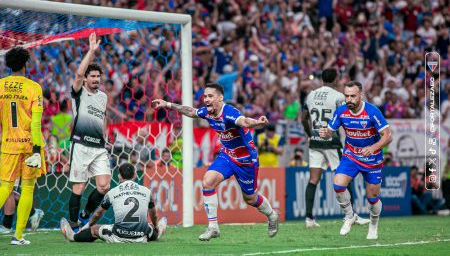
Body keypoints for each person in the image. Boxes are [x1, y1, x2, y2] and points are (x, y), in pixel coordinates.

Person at [152, 83, 279, 241]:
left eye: (210, 96)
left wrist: (257, 123)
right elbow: (191, 111)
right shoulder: (208, 112)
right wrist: (168, 104)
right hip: (227, 155)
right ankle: (213, 227)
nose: (206, 99)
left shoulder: (229, 112)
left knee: (250, 198)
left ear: (220, 98)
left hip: (246, 159)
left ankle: (272, 215)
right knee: (207, 181)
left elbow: (244, 121)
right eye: (205, 96)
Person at [319, 81, 393, 240]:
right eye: (346, 96)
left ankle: (373, 225)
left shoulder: (372, 111)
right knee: (338, 185)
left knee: (373, 199)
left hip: (372, 159)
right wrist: (325, 133)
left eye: (353, 96)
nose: (349, 99)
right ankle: (349, 216)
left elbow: (388, 136)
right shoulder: (341, 111)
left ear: (361, 95)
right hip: (351, 156)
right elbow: (330, 131)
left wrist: (374, 147)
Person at [301, 68, 369, 228]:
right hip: (332, 141)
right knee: (345, 177)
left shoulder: (311, 94)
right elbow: (348, 115)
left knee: (313, 180)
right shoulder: (339, 97)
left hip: (316, 141)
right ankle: (351, 216)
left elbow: (304, 118)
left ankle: (309, 219)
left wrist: (310, 134)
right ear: (335, 79)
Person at [0, 47, 46, 245]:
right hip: (29, 145)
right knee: (27, 188)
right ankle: (18, 236)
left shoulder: (0, 85)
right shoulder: (34, 87)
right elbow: (35, 124)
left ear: (8, 65)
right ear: (26, 64)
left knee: (4, 187)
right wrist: (36, 150)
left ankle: (17, 234)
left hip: (8, 144)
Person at [67, 33, 111, 232]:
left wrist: (106, 134)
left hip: (99, 147)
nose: (96, 79)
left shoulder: (103, 96)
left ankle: (85, 215)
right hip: (81, 144)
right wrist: (91, 51)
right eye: (92, 76)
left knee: (104, 186)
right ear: (85, 79)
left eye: (98, 77)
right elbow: (77, 74)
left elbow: (102, 117)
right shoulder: (78, 92)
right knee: (79, 187)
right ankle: (74, 225)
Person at [60, 163, 167, 243]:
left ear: (119, 176)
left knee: (94, 229)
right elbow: (153, 214)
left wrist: (87, 226)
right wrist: (156, 225)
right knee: (151, 227)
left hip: (119, 236)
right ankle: (159, 232)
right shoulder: (146, 191)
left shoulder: (112, 192)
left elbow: (97, 214)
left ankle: (72, 237)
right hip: (141, 237)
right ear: (135, 175)